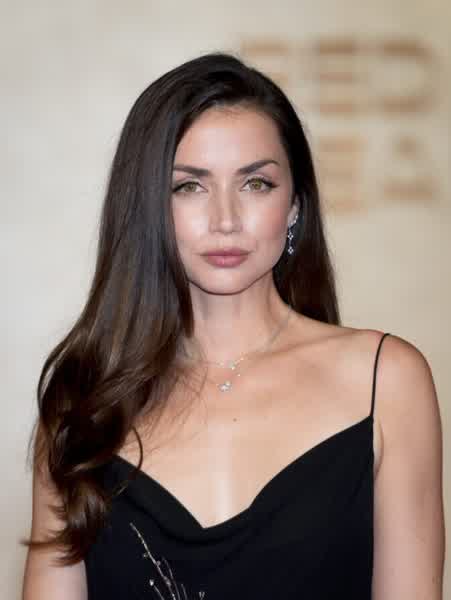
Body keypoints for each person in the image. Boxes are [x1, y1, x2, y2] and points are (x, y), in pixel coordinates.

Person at [21, 51, 445, 599]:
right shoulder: (82, 400)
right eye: (189, 186)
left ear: (295, 205)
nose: (225, 220)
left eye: (256, 184)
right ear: (148, 206)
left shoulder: (385, 382)